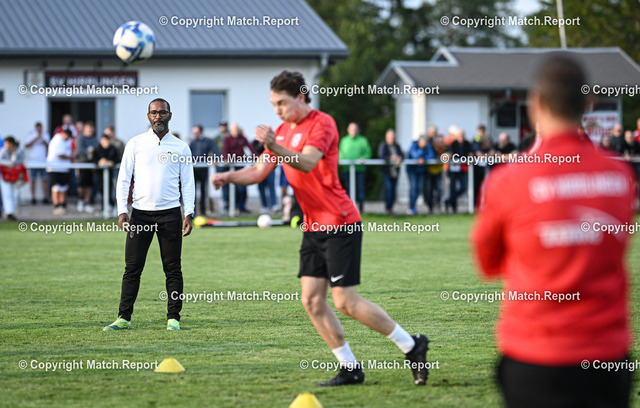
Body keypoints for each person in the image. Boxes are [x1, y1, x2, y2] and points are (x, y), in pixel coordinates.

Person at [212, 71, 429, 387]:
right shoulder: (282, 131)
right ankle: (350, 368)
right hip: (312, 227)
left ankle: (411, 345)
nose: (277, 110)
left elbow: (307, 162)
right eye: (273, 104)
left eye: (281, 103)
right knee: (312, 301)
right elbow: (259, 171)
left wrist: (274, 145)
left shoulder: (322, 124)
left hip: (340, 223)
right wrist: (228, 176)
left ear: (300, 97)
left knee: (345, 302)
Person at [472, 56, 636, 408]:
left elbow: (487, 263)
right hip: (606, 357)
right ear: (587, 104)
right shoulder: (620, 176)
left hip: (535, 354)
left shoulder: (508, 181)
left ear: (536, 105)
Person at [103, 98, 195, 332]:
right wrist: (122, 210)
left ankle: (173, 318)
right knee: (132, 268)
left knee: (172, 268)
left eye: (162, 112)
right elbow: (123, 179)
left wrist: (189, 212)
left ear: (170, 115)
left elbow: (188, 182)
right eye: (154, 113)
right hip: (140, 215)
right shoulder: (135, 144)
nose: (158, 117)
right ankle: (123, 318)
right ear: (148, 116)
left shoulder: (181, 147)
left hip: (170, 215)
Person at [222, 123, 257, 214]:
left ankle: (242, 207)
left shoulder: (242, 138)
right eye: (234, 130)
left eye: (237, 130)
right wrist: (226, 159)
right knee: (233, 188)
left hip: (241, 166)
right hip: (231, 167)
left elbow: (250, 147)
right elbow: (225, 150)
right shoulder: (228, 139)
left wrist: (257, 157)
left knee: (243, 187)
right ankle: (233, 207)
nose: (235, 132)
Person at [339, 123, 371, 213]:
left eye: (355, 129)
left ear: (358, 130)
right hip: (347, 169)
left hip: (360, 170)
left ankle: (361, 209)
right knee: (348, 189)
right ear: (348, 130)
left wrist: (364, 158)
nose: (354, 131)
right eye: (352, 129)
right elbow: (340, 153)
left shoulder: (362, 140)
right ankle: (349, 209)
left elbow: (368, 152)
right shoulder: (344, 141)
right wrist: (343, 162)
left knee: (360, 189)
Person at [189, 125, 218, 216]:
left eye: (196, 133)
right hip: (194, 169)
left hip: (203, 169)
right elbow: (188, 153)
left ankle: (203, 211)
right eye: (194, 133)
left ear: (201, 132)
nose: (195, 134)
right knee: (193, 191)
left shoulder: (208, 141)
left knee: (203, 190)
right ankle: (193, 211)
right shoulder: (192, 142)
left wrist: (215, 158)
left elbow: (214, 151)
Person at [0, 137, 27, 220]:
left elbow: (22, 160)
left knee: (15, 194)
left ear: (11, 143)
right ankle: (9, 212)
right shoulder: (3, 151)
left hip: (16, 175)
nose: (5, 145)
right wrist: (9, 164)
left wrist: (14, 164)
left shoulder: (19, 150)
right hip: (6, 175)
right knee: (7, 193)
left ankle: (12, 211)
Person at [46, 130, 73, 215]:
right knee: (56, 187)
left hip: (63, 168)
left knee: (63, 187)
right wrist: (71, 156)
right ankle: (56, 205)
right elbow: (60, 154)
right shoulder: (57, 140)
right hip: (55, 168)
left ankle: (62, 204)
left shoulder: (65, 141)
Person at [377, 129, 403, 214]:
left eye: (393, 137)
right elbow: (381, 155)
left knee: (393, 191)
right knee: (389, 189)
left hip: (395, 172)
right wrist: (390, 158)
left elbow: (402, 155)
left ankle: (390, 208)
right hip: (387, 172)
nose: (392, 139)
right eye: (390, 137)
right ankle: (387, 208)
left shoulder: (397, 146)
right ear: (386, 137)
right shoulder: (383, 145)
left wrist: (399, 158)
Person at [445, 128, 471, 213]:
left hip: (462, 169)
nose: (461, 138)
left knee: (464, 187)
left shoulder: (467, 144)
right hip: (453, 169)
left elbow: (470, 153)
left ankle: (449, 200)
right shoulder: (452, 144)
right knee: (452, 188)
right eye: (459, 136)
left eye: (462, 136)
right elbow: (448, 153)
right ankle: (453, 207)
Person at [24, 122, 50, 204]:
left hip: (43, 161)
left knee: (45, 179)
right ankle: (33, 198)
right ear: (36, 128)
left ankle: (45, 198)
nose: (39, 129)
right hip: (33, 161)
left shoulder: (45, 135)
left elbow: (49, 146)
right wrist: (36, 138)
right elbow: (26, 145)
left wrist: (42, 139)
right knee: (33, 180)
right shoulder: (31, 134)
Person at [76, 121, 99, 213]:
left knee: (89, 185)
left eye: (91, 130)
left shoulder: (94, 139)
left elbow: (97, 150)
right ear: (84, 130)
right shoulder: (80, 138)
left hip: (91, 165)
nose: (90, 131)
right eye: (88, 129)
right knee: (82, 184)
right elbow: (81, 150)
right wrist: (90, 154)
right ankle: (80, 200)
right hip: (82, 164)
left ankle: (87, 203)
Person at [252, 136, 278, 213]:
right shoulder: (254, 143)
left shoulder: (269, 142)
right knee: (261, 187)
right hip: (259, 168)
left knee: (271, 186)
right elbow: (253, 153)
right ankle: (264, 206)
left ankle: (273, 205)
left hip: (270, 167)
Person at [94, 134, 118, 212]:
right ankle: (105, 206)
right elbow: (93, 159)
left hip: (109, 174)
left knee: (109, 190)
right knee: (101, 190)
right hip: (98, 174)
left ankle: (109, 206)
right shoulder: (97, 148)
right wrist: (99, 162)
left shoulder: (113, 149)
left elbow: (117, 159)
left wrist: (111, 162)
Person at [406, 135, 429, 215]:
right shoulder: (413, 146)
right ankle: (411, 207)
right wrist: (421, 157)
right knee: (413, 188)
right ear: (420, 142)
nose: (425, 144)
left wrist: (424, 159)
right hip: (412, 171)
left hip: (421, 171)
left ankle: (413, 206)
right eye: (424, 142)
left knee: (419, 189)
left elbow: (431, 155)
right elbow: (414, 155)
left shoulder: (427, 147)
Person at [424, 134, 446, 214]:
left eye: (441, 141)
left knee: (439, 189)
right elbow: (430, 156)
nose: (440, 143)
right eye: (439, 141)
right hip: (429, 171)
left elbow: (449, 153)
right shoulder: (430, 147)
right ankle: (430, 206)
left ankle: (437, 205)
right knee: (429, 190)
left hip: (439, 171)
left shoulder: (444, 148)